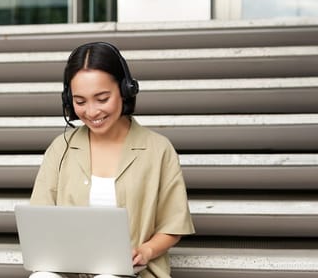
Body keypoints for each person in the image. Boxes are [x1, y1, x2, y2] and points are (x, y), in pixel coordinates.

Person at [29, 42, 195, 278]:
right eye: (80, 101)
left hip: (134, 272)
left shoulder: (158, 149)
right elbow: (40, 219)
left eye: (102, 98)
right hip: (70, 271)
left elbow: (173, 225)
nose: (92, 111)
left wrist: (145, 251)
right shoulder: (60, 148)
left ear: (125, 90)